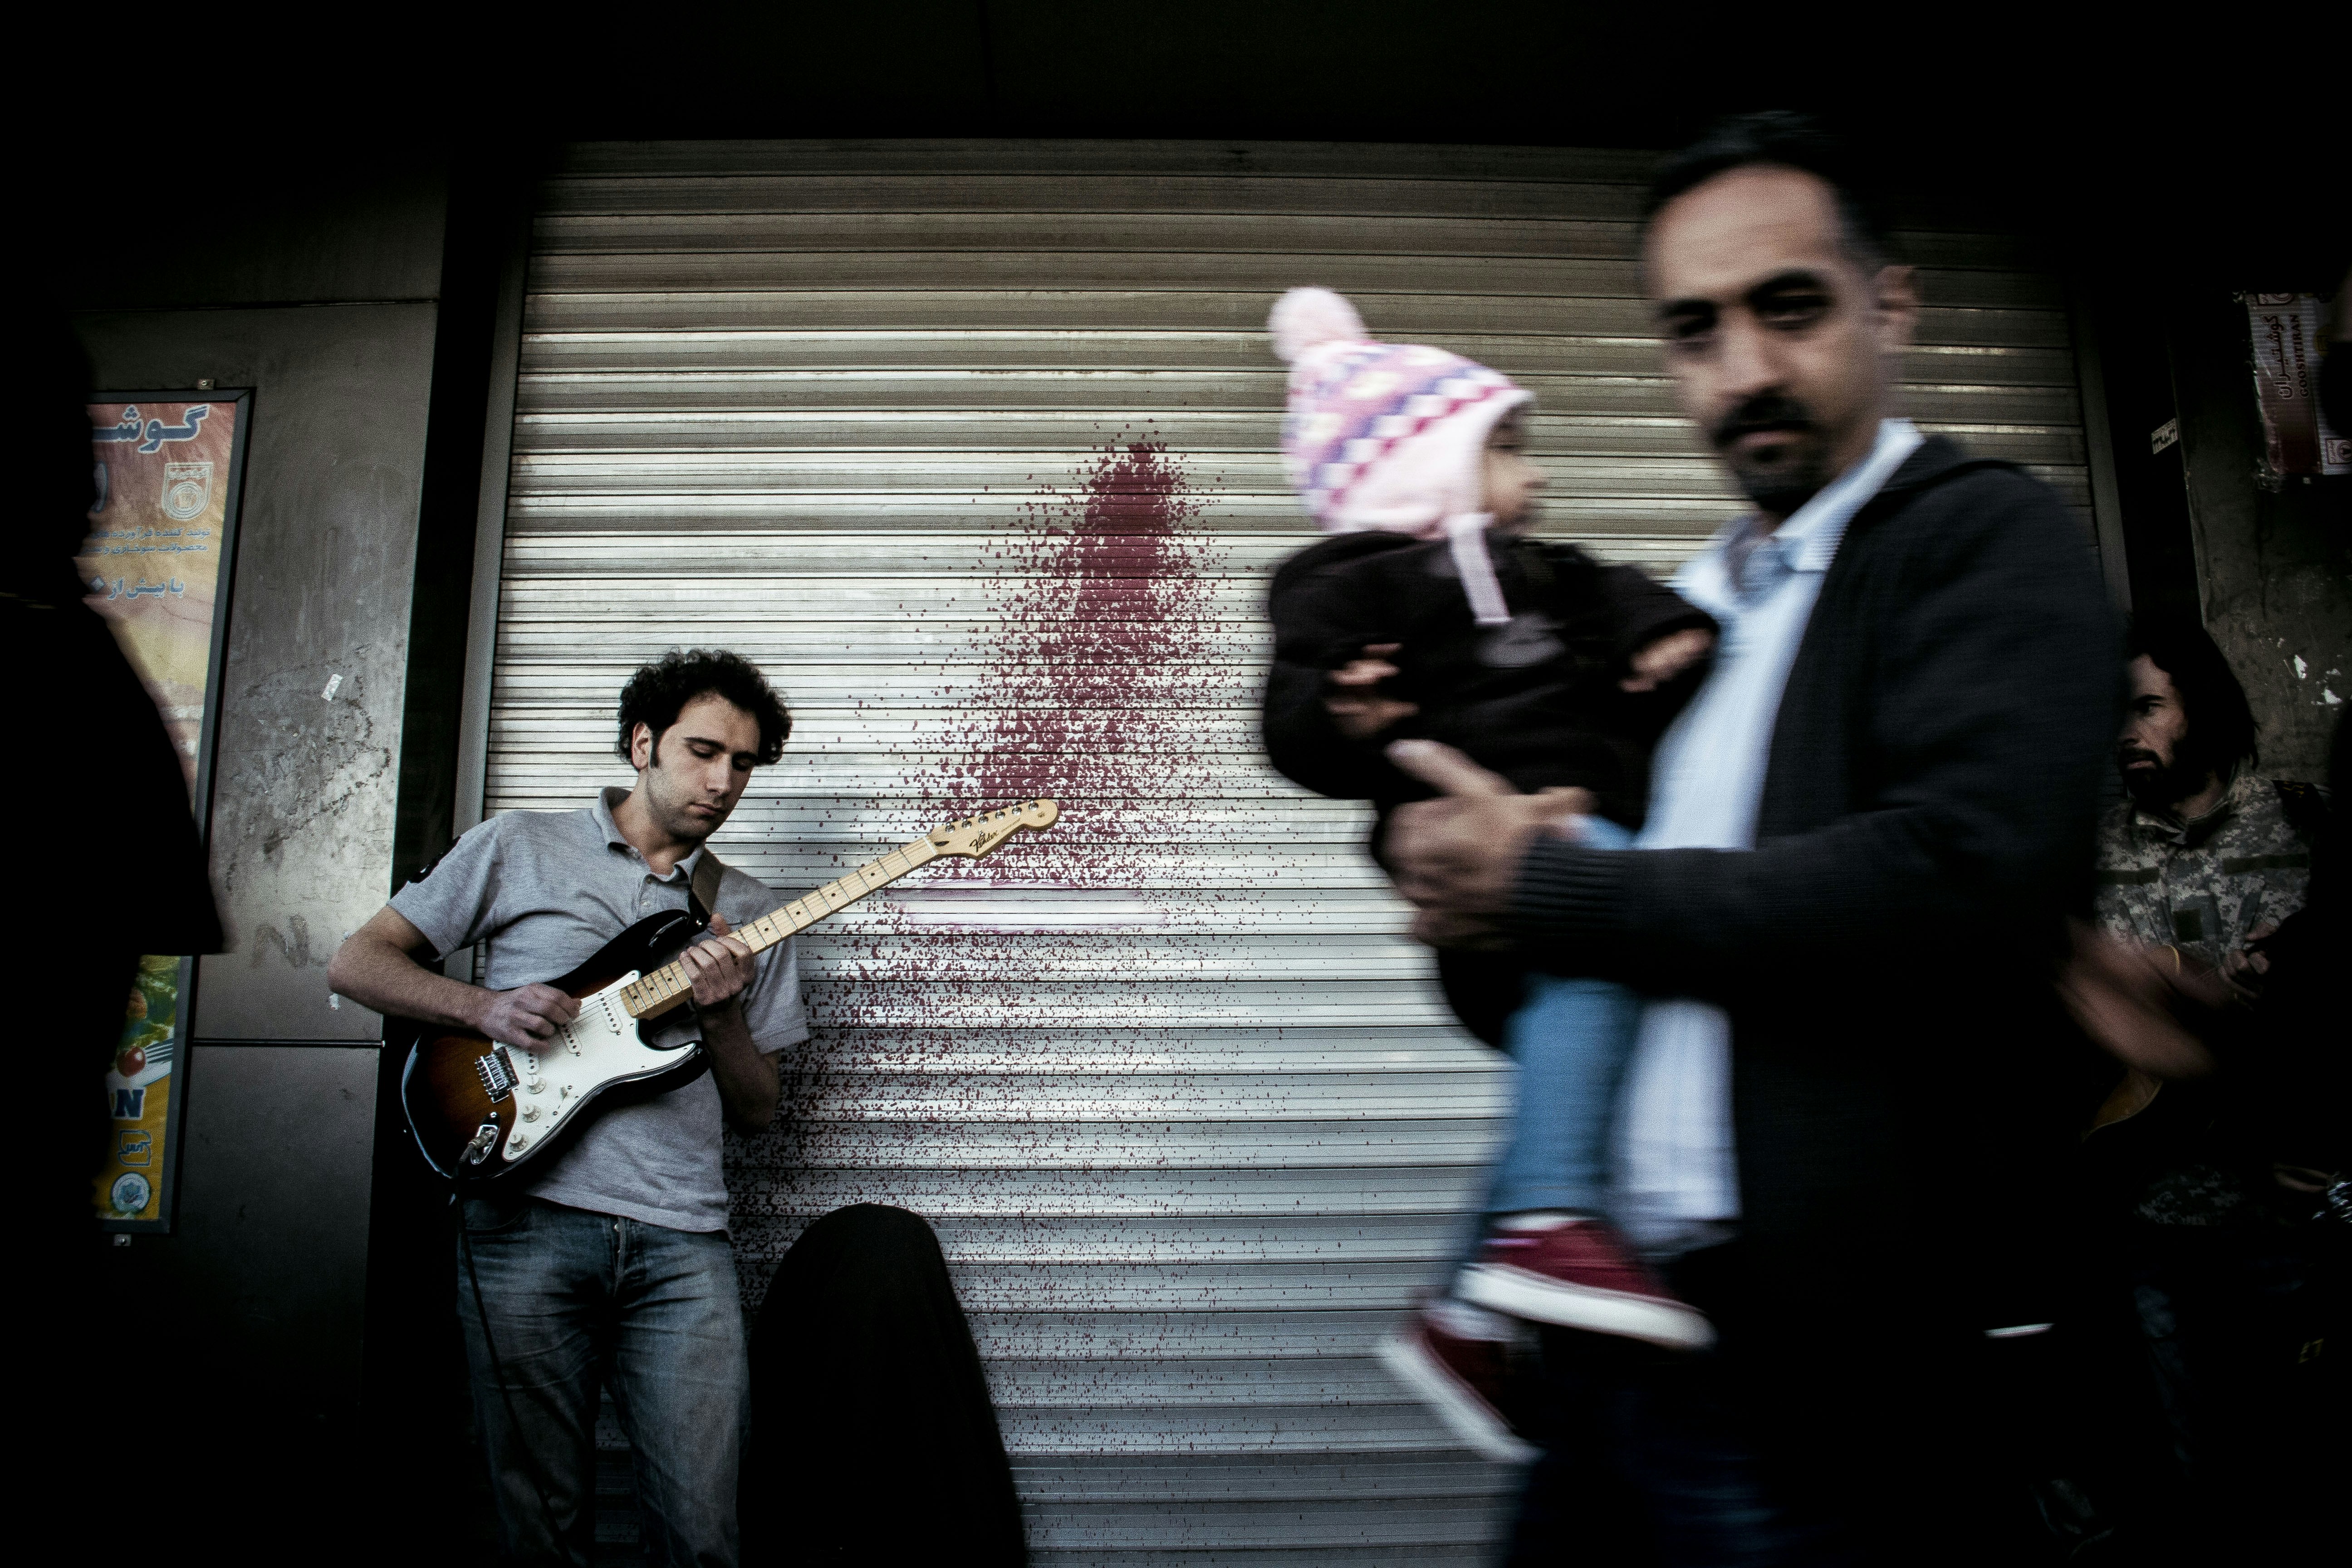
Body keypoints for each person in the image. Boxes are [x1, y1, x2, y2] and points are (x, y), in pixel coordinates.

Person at [1378, 113, 2119, 1563]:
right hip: (1611, 1343)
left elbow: (1960, 884)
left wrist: (1554, 888)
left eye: (1791, 307)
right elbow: (1569, 971)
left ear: (1889, 303)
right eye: (1695, 330)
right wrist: (1467, 900)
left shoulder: (1977, 539)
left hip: (1833, 1377)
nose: (1748, 370)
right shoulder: (1684, 618)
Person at [1256, 287, 1719, 1456]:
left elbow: (1617, 590)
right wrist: (1340, 710)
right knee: (1606, 946)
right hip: (1481, 885)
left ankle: (1466, 1310)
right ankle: (1549, 1220)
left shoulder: (1542, 568)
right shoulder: (1345, 585)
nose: (1538, 477)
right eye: (1506, 448)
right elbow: (1290, 730)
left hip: (1568, 843)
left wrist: (1664, 628)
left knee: (1590, 1041)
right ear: (1419, 463)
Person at [328, 649, 807, 1568]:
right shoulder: (518, 847)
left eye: (743, 764)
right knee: (542, 1534)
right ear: (643, 743)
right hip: (524, 1229)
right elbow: (357, 964)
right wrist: (484, 1007)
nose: (723, 781)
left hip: (682, 1241)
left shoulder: (743, 917)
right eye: (703, 751)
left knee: (706, 1539)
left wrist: (727, 1018)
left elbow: (757, 1112)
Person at [2076, 616, 2337, 1561]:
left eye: (2147, 706)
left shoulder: (2305, 828)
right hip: (2156, 1227)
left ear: (2204, 707)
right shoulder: (2091, 855)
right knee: (2200, 1485)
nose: (2125, 731)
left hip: (2290, 1227)